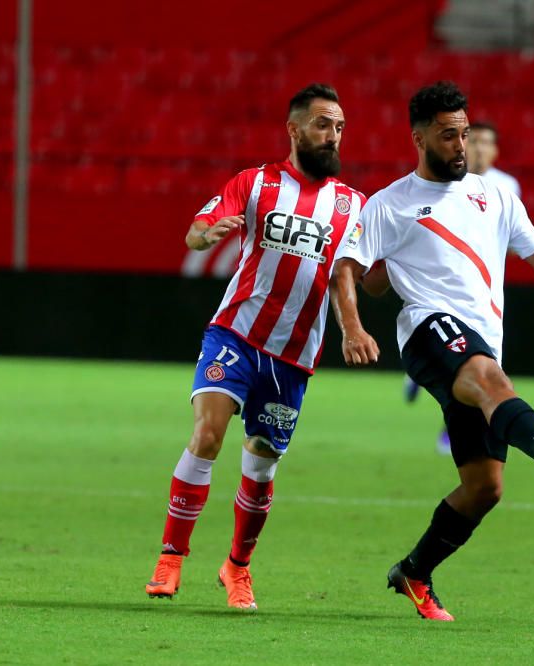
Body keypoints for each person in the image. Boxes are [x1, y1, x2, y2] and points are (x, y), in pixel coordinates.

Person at [329, 81, 534, 621]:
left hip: (483, 343)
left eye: (464, 133)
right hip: (428, 331)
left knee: (483, 487)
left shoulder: (496, 195)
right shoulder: (390, 204)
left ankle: (413, 572)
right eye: (447, 135)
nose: (460, 145)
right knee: (487, 377)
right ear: (418, 137)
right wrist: (352, 327)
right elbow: (349, 268)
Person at [144, 83, 368, 610]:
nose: (332, 135)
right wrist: (208, 235)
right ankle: (171, 557)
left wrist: (353, 328)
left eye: (338, 127)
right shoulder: (255, 183)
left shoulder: (351, 205)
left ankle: (237, 567)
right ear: (294, 130)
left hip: (293, 356)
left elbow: (343, 276)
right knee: (207, 434)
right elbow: (196, 232)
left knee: (262, 462)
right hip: (236, 335)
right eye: (321, 124)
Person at [404, 120, 524, 455]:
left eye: (487, 143)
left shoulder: (506, 187)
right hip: (443, 288)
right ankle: (449, 428)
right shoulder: (443, 182)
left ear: (496, 151)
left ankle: (430, 394)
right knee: (470, 364)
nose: (480, 148)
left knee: (485, 362)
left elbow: (515, 239)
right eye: (475, 141)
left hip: (485, 288)